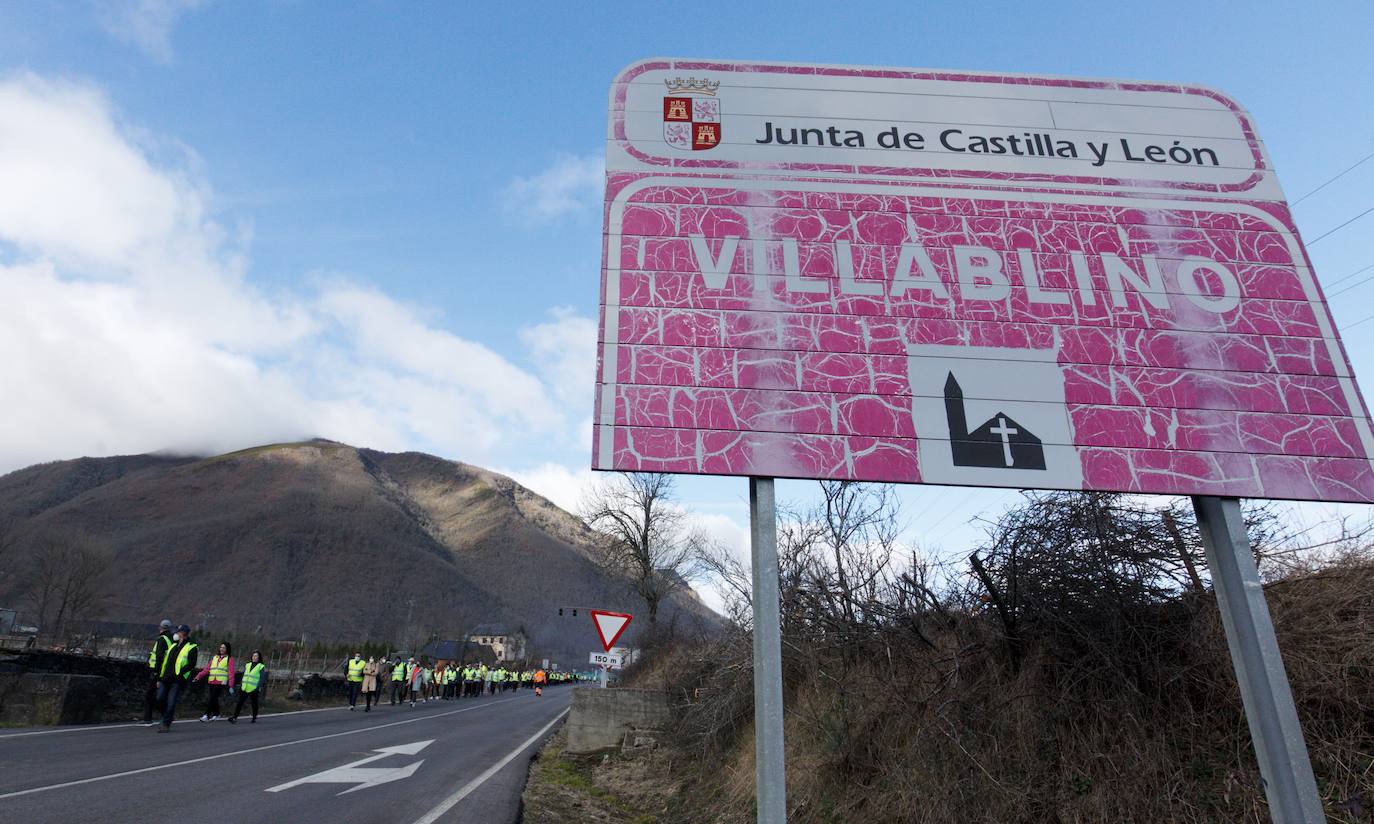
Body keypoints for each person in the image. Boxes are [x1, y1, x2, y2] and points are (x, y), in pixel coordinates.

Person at [155, 625, 198, 732]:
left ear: (183, 633)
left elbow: (192, 664)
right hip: (165, 678)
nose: (176, 634)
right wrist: (159, 678)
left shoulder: (192, 646)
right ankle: (167, 716)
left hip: (177, 680)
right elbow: (166, 662)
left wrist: (179, 674)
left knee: (171, 702)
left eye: (178, 632)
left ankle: (166, 724)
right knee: (159, 699)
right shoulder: (173, 645)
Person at [143, 619, 174, 726]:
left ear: (161, 628)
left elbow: (159, 656)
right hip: (167, 671)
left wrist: (156, 671)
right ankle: (166, 715)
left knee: (150, 695)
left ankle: (148, 719)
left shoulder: (162, 639)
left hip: (159, 671)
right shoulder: (172, 639)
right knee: (160, 695)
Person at [193, 641, 235, 721]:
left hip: (221, 682)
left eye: (224, 648)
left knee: (212, 698)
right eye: (221, 647)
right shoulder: (214, 657)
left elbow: (231, 673)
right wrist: (198, 676)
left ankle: (206, 715)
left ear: (227, 649)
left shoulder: (229, 659)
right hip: (212, 681)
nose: (222, 649)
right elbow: (207, 669)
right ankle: (217, 714)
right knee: (214, 698)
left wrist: (231, 685)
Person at [228, 651, 266, 723]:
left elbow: (262, 678)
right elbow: (244, 675)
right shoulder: (247, 665)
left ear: (259, 658)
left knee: (254, 703)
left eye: (256, 656)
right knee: (240, 702)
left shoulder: (261, 666)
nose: (254, 657)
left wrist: (258, 687)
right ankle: (234, 717)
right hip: (244, 687)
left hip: (254, 688)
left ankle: (254, 717)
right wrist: (241, 683)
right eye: (253, 656)